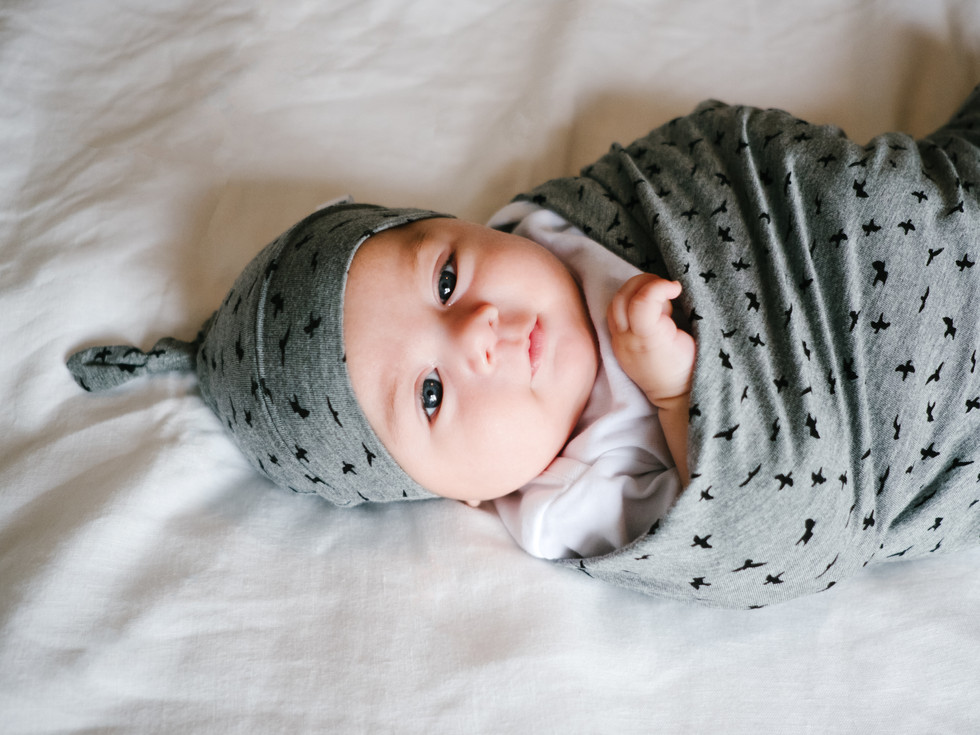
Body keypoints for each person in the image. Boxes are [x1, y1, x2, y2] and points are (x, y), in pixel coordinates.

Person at [68, 83, 980, 608]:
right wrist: (673, 396)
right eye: (430, 395)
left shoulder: (571, 220)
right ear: (459, 491)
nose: (475, 334)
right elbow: (776, 532)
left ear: (464, 228)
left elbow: (723, 152)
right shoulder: (569, 498)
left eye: (447, 280)